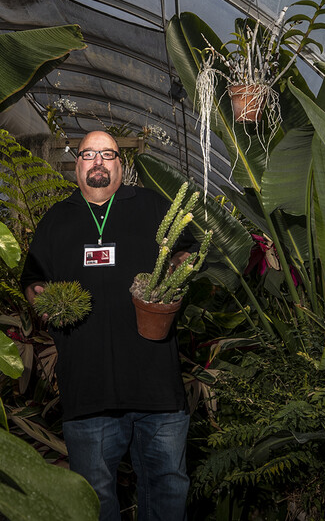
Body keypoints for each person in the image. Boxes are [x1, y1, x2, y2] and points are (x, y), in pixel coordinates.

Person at [21, 130, 195, 521]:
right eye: (88, 154)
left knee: (167, 487)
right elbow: (32, 279)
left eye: (107, 154)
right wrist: (43, 302)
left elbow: (189, 248)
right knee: (95, 498)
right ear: (77, 165)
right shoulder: (57, 219)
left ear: (120, 163)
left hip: (156, 389)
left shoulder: (151, 206)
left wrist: (173, 272)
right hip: (88, 389)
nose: (97, 161)